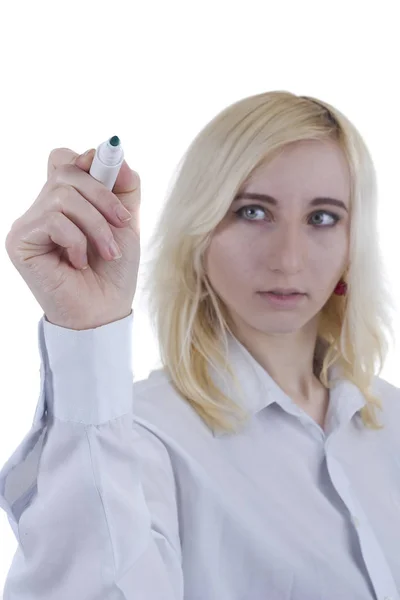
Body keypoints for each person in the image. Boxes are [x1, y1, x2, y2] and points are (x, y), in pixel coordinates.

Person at [1, 91, 399, 600]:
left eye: (322, 218)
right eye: (253, 211)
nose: (289, 259)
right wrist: (88, 328)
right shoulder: (139, 437)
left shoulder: (390, 423)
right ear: (200, 231)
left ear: (352, 244)